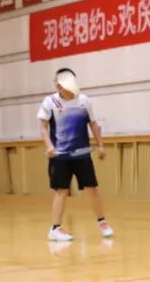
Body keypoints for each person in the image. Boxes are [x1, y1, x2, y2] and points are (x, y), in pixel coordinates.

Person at [37, 68, 114, 242]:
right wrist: (49, 146)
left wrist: (100, 145)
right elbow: (43, 127)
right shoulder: (50, 101)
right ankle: (55, 229)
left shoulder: (84, 101)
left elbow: (93, 124)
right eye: (56, 81)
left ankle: (102, 222)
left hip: (81, 154)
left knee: (92, 188)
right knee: (61, 191)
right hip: (60, 156)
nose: (58, 84)